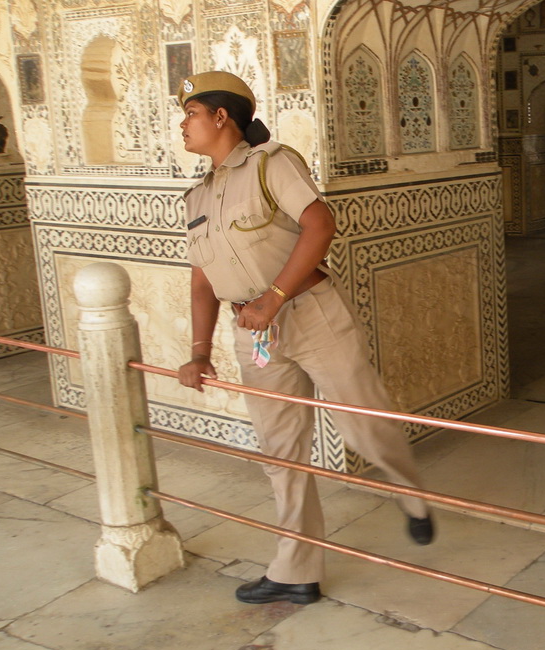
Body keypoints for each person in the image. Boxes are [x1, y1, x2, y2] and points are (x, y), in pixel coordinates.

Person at [175, 71, 434, 606]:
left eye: (191, 114)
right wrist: (199, 352)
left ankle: (410, 491)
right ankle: (296, 570)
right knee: (281, 453)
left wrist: (273, 297)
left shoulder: (271, 163)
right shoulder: (197, 195)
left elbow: (320, 223)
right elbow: (202, 281)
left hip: (310, 312)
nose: (183, 124)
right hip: (254, 333)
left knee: (363, 426)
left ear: (221, 117)